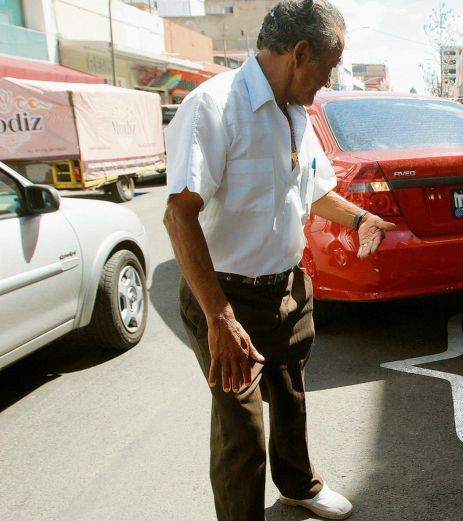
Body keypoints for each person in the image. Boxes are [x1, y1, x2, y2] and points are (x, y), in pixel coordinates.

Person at [163, 1, 394, 520]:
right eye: (327, 66)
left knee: (290, 397)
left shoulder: (297, 114)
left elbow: (311, 191)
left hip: (286, 288)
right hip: (224, 297)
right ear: (300, 53)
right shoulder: (214, 106)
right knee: (242, 429)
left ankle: (298, 485)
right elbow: (179, 217)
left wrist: (360, 220)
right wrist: (220, 317)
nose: (329, 80)